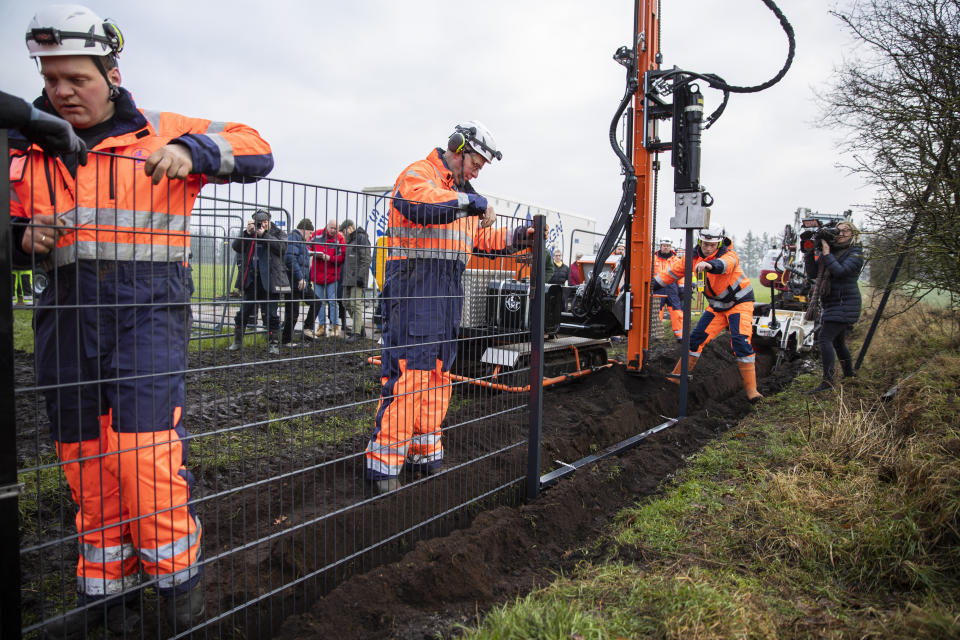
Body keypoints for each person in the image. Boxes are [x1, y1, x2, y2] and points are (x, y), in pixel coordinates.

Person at [8, 6, 273, 634]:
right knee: (84, 461)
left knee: (143, 457)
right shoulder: (23, 144)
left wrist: (194, 150)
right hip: (66, 314)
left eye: (77, 78)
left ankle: (179, 589)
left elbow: (255, 143)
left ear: (113, 73)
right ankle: (106, 596)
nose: (62, 92)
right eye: (51, 80)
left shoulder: (160, 130)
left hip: (147, 311)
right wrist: (19, 238)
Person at [364, 120, 532, 494]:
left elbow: (481, 239)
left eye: (482, 167)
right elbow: (418, 203)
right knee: (409, 374)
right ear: (457, 149)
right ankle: (385, 465)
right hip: (414, 286)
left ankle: (425, 453)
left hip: (445, 290)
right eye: (476, 162)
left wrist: (519, 237)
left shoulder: (460, 195)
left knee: (438, 374)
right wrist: (472, 202)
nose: (477, 171)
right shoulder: (420, 174)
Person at [654, 226, 763, 402]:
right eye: (705, 244)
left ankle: (752, 392)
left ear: (719, 243)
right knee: (694, 340)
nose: (709, 247)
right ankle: (675, 379)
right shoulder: (691, 258)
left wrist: (709, 264)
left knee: (740, 342)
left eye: (713, 245)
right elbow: (670, 274)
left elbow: (725, 265)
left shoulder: (729, 254)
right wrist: (649, 285)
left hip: (739, 304)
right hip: (716, 307)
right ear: (699, 241)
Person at [804, 221, 864, 391]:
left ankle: (828, 382)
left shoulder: (855, 253)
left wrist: (827, 252)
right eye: (839, 231)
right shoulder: (832, 250)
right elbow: (813, 273)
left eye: (847, 231)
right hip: (833, 303)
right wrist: (809, 253)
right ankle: (849, 375)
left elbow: (840, 271)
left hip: (845, 302)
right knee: (838, 342)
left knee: (824, 338)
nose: (842, 233)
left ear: (854, 234)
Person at [228, 210, 290, 354]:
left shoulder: (278, 233)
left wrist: (264, 235)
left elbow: (282, 248)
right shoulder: (250, 234)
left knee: (271, 314)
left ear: (268, 221)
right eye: (258, 222)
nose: (261, 224)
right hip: (251, 279)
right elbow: (236, 247)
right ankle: (237, 341)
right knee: (243, 312)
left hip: (271, 280)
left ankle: (273, 344)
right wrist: (246, 233)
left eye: (264, 222)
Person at [282, 218, 321, 344]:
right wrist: (300, 278)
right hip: (294, 282)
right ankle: (286, 340)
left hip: (301, 282)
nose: (310, 236)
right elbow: (290, 260)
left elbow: (300, 261)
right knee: (292, 313)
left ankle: (307, 331)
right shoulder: (294, 238)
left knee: (316, 302)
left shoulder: (300, 241)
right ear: (305, 230)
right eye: (310, 233)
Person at [310, 219, 345, 337]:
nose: (334, 231)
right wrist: (313, 253)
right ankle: (321, 326)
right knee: (319, 302)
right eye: (332, 228)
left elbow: (342, 258)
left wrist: (330, 258)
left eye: (336, 229)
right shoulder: (316, 235)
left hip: (332, 275)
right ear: (327, 226)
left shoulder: (340, 239)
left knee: (332, 301)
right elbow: (307, 248)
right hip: (317, 275)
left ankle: (334, 326)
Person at [339, 218, 372, 341]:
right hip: (348, 277)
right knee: (346, 302)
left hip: (357, 278)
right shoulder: (351, 240)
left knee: (355, 304)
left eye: (343, 231)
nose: (343, 234)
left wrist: (360, 276)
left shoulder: (361, 238)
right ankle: (359, 327)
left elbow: (366, 259)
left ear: (349, 228)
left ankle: (356, 332)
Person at [652, 238, 684, 340]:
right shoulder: (652, 259)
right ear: (660, 246)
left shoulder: (676, 260)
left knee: (676, 312)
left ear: (670, 247)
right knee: (656, 312)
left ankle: (680, 335)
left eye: (668, 246)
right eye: (664, 245)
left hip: (672, 289)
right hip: (657, 288)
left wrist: (682, 288)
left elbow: (681, 275)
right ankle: (656, 335)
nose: (666, 247)